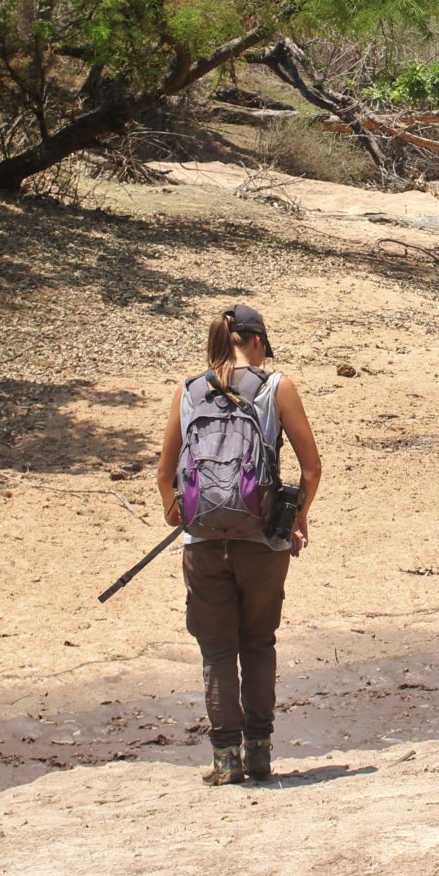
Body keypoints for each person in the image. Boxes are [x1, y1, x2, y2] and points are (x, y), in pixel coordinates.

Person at [157, 304, 321, 786]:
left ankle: (225, 758)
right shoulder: (276, 387)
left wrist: (184, 512)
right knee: (258, 642)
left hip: (202, 542)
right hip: (262, 542)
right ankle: (262, 752)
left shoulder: (188, 392)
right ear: (257, 341)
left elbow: (165, 476)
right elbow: (312, 468)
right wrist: (297, 518)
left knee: (217, 650)